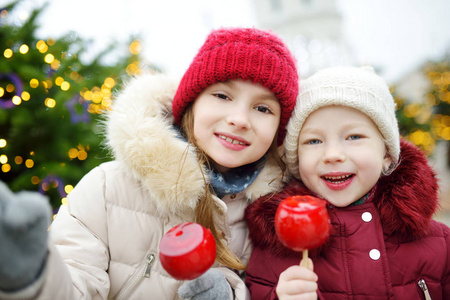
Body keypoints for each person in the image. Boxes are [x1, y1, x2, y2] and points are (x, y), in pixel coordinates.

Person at [0, 27, 299, 299]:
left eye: (262, 108)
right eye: (222, 95)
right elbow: (75, 283)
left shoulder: (270, 216)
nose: (239, 119)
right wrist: (33, 277)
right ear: (191, 102)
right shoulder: (106, 188)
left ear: (278, 131)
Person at [244, 66, 450, 299]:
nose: (333, 154)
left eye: (354, 137)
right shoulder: (275, 246)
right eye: (313, 141)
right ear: (297, 159)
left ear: (386, 155)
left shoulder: (440, 244)